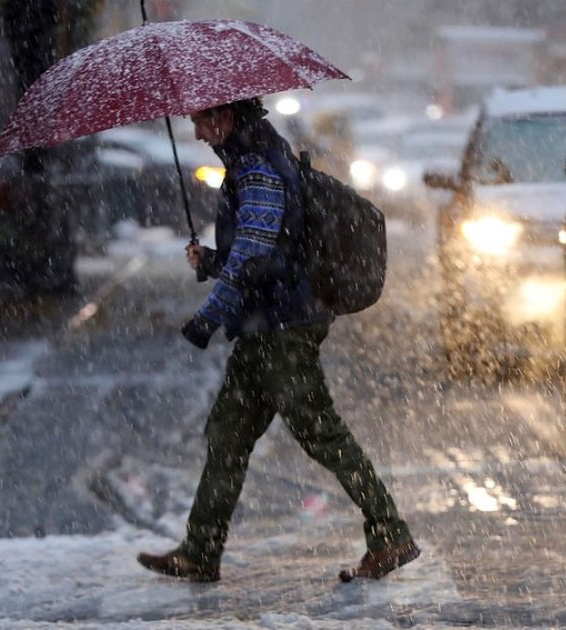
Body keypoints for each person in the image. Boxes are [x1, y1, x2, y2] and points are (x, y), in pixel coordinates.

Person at [137, 98, 419, 582]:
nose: (199, 134)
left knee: (322, 434)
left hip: (283, 328)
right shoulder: (254, 160)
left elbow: (254, 257)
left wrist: (208, 317)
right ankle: (200, 550)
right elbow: (261, 251)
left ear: (224, 117)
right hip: (263, 327)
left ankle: (390, 534)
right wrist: (209, 261)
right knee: (228, 434)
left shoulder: (258, 168)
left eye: (202, 122)